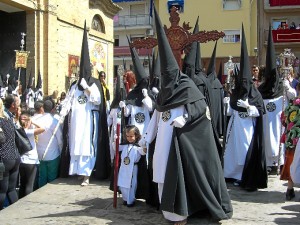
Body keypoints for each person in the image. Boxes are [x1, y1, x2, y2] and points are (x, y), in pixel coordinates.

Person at [140, 7, 233, 224]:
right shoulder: (164, 93)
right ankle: (166, 211)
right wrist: (146, 138)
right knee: (161, 176)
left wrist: (186, 118)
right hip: (161, 145)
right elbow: (156, 117)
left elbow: (200, 107)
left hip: (178, 145)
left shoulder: (187, 87)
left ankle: (179, 214)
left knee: (177, 178)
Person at [223, 24, 267, 191]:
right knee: (233, 153)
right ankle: (232, 174)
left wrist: (249, 108)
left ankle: (244, 176)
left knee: (244, 152)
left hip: (248, 130)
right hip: (235, 129)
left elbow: (259, 112)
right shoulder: (236, 93)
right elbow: (231, 111)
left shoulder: (255, 95)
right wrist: (229, 105)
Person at [60, 22, 102, 186]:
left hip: (88, 122)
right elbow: (69, 101)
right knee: (76, 145)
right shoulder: (73, 85)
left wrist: (88, 90)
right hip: (76, 122)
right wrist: (63, 112)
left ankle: (87, 174)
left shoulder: (95, 84)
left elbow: (98, 101)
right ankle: (78, 171)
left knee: (86, 147)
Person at [258, 27, 296, 172]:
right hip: (266, 122)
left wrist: (288, 87)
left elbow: (293, 97)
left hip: (279, 121)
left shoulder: (282, 86)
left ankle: (280, 163)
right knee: (267, 141)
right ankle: (268, 164)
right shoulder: (262, 89)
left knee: (280, 139)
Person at [33, 100, 63, 188]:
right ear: (53, 109)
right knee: (52, 178)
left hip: (40, 154)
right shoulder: (54, 121)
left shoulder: (36, 120)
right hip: (53, 153)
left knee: (42, 177)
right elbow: (60, 139)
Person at [116, 125, 146, 207]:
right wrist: (115, 140)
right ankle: (125, 199)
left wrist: (143, 144)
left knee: (131, 185)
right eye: (127, 136)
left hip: (133, 168)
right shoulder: (124, 145)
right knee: (123, 184)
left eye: (131, 136)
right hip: (124, 168)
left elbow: (143, 152)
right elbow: (116, 148)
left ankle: (130, 200)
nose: (129, 138)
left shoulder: (137, 147)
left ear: (136, 136)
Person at [280, 83, 300, 200]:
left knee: (290, 163)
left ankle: (289, 189)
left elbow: (283, 120)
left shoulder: (291, 105)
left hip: (292, 139)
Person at [18, 111, 45, 198]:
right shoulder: (29, 132)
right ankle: (26, 201)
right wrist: (32, 121)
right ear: (28, 121)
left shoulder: (18, 131)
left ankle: (19, 201)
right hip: (31, 161)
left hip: (21, 160)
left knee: (22, 183)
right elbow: (42, 128)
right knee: (30, 184)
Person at [0, 99, 20, 210]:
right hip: (15, 156)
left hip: (4, 159)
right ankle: (16, 212)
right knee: (11, 189)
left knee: (2, 190)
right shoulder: (8, 120)